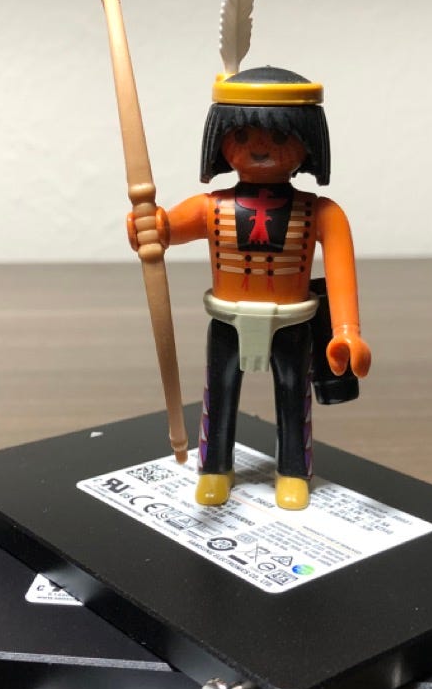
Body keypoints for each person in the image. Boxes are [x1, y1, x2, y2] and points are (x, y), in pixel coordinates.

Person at [128, 65, 370, 510]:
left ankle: (293, 472)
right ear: (219, 140)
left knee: (294, 398)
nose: (260, 148)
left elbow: (341, 273)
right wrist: (148, 225)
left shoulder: (322, 213)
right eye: (241, 135)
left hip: (292, 324)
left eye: (279, 137)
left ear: (309, 141)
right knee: (218, 395)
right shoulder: (210, 208)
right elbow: (165, 228)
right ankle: (214, 468)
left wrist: (346, 331)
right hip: (228, 320)